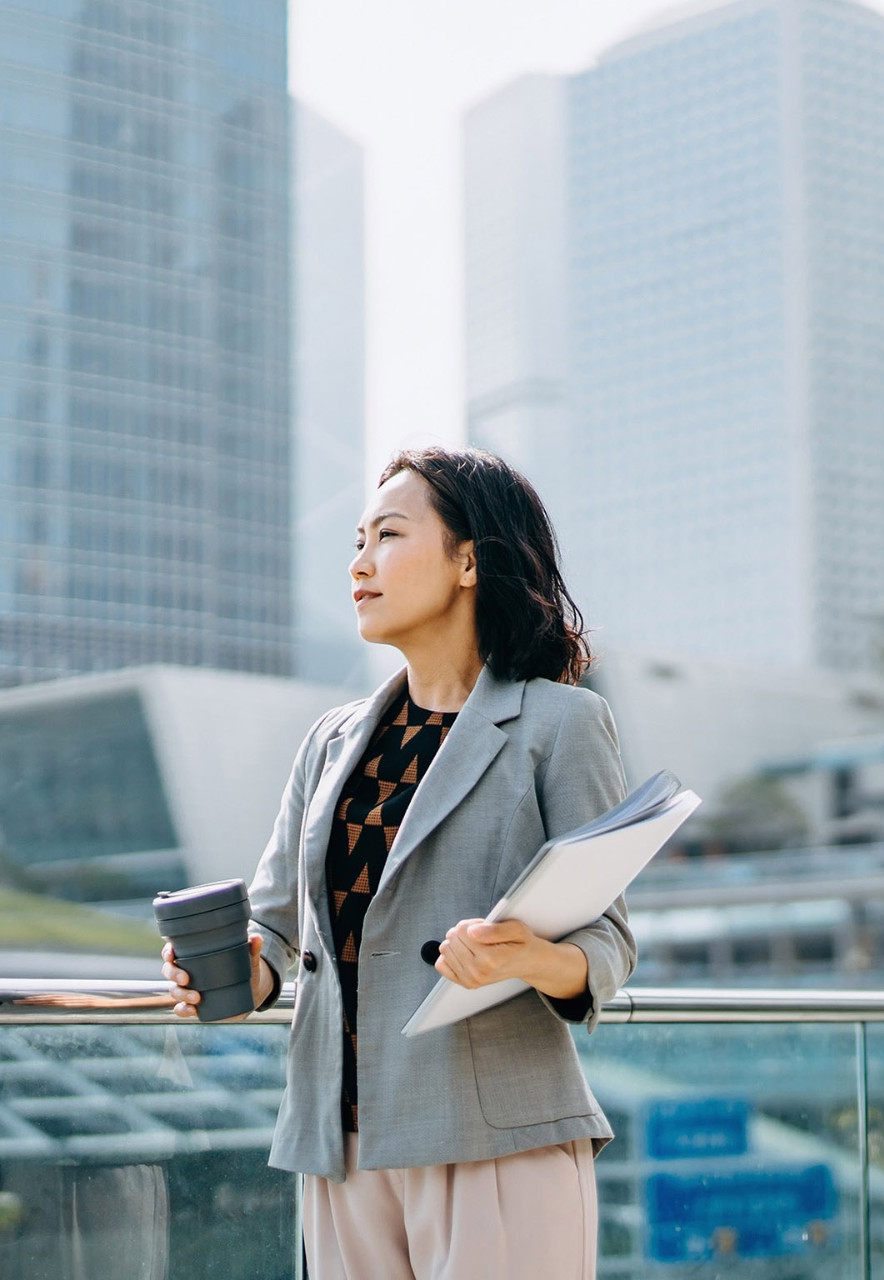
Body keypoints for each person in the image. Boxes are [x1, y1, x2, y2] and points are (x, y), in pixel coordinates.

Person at [162, 446, 634, 1280]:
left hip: (492, 1137)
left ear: (467, 562)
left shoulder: (559, 725)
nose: (359, 563)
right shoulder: (332, 739)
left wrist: (526, 959)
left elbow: (608, 943)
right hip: (337, 1144)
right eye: (356, 540)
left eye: (387, 535)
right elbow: (275, 928)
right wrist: (242, 967)